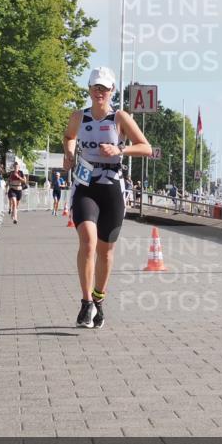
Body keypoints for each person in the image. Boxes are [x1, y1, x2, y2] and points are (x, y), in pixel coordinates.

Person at [63, 66, 151, 329]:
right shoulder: (80, 116)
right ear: (89, 89)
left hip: (112, 187)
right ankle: (86, 302)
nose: (100, 92)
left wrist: (120, 149)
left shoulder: (119, 118)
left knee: (106, 251)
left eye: (105, 88)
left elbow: (145, 147)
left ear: (112, 90)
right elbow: (69, 137)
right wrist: (69, 153)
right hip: (85, 185)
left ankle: (99, 300)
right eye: (95, 87)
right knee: (87, 242)